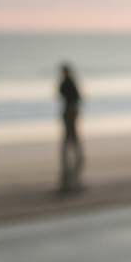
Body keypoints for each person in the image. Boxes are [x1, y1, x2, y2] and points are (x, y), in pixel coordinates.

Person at [57, 61, 84, 191]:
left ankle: (74, 152)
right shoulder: (70, 82)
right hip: (71, 110)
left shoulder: (67, 82)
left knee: (70, 134)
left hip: (70, 110)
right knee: (72, 134)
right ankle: (76, 151)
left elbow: (65, 94)